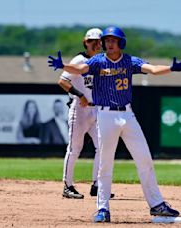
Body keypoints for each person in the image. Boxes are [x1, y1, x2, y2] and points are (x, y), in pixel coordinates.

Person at [48, 26, 181, 222]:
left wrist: (171, 68)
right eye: (106, 40)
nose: (108, 43)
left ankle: (157, 204)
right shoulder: (98, 61)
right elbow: (80, 69)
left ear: (121, 43)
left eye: (113, 40)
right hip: (105, 115)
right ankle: (102, 209)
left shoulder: (129, 60)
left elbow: (152, 69)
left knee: (144, 158)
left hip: (127, 114)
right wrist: (64, 65)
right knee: (105, 164)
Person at [58, 28, 114, 199]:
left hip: (97, 109)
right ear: (86, 42)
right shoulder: (79, 59)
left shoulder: (100, 61)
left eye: (99, 42)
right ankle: (67, 186)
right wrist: (79, 94)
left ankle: (97, 185)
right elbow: (62, 81)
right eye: (93, 41)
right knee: (75, 149)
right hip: (80, 109)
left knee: (102, 148)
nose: (96, 44)